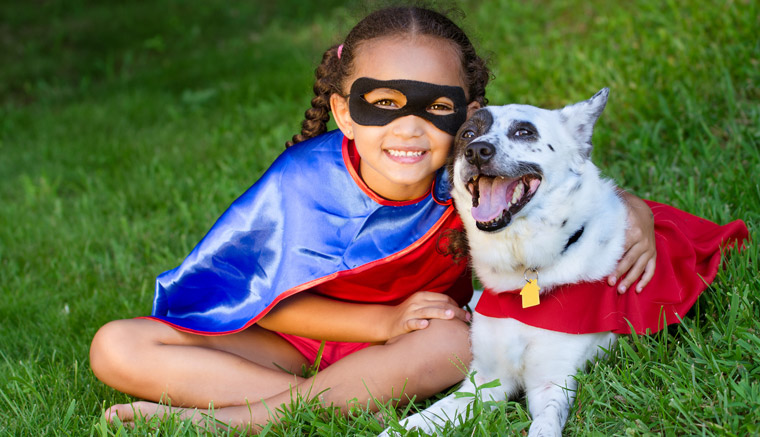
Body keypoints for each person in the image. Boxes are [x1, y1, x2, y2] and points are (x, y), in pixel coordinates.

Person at [89, 6, 658, 431]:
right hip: (296, 341)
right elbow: (261, 296)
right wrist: (380, 325)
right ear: (344, 112)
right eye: (383, 104)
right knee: (115, 346)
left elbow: (570, 189)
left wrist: (636, 213)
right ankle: (311, 402)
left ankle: (240, 418)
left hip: (419, 343)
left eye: (436, 108)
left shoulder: (471, 172)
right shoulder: (302, 181)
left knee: (457, 347)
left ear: (470, 114)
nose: (409, 130)